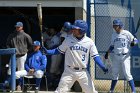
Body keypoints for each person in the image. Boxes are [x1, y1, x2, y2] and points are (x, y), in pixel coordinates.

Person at [42, 20, 108, 93]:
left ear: (82, 31)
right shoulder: (68, 39)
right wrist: (48, 52)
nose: (73, 30)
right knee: (60, 91)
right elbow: (59, 50)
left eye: (75, 29)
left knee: (91, 91)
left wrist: (102, 66)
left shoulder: (89, 42)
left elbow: (95, 56)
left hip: (83, 72)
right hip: (69, 71)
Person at [104, 19, 138, 93]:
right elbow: (112, 46)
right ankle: (111, 90)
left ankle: (134, 91)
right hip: (116, 56)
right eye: (114, 25)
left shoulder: (126, 33)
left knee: (127, 74)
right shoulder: (113, 34)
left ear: (120, 25)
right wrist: (107, 52)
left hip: (125, 56)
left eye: (116, 25)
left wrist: (133, 43)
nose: (115, 27)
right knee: (114, 73)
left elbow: (136, 40)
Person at [5, 22, 33, 89]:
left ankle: (19, 85)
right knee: (10, 70)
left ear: (22, 27)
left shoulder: (26, 35)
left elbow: (31, 45)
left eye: (18, 26)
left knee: (21, 71)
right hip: (13, 55)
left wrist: (25, 51)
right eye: (16, 26)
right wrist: (10, 50)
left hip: (22, 55)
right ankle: (9, 85)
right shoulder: (11, 35)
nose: (17, 28)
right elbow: (7, 44)